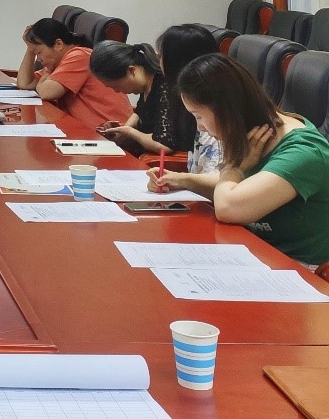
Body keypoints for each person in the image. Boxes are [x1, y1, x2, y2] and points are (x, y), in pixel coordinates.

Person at [149, 54, 329, 267]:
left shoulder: (303, 152)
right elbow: (237, 188)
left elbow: (228, 207)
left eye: (199, 116)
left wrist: (232, 167)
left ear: (226, 109)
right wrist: (182, 180)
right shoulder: (256, 133)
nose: (199, 127)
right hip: (255, 250)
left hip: (299, 268)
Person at [16, 18, 131, 129]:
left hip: (110, 133)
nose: (38, 59)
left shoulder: (79, 56)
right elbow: (25, 83)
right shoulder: (58, 62)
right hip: (91, 131)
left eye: (39, 52)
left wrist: (42, 83)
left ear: (58, 44)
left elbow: (47, 93)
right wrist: (30, 49)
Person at [88, 41, 189, 155]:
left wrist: (129, 132)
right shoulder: (146, 85)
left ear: (131, 71)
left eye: (116, 85)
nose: (117, 91)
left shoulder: (165, 88)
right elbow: (140, 113)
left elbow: (164, 145)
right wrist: (121, 132)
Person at [157, 24, 223, 173]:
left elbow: (217, 179)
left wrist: (181, 179)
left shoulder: (213, 114)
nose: (158, 61)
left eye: (161, 56)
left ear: (174, 61)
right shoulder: (190, 102)